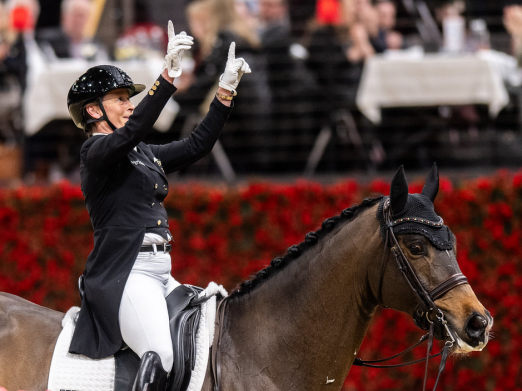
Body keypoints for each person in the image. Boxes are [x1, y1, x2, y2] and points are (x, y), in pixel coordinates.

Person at [66, 20, 251, 391]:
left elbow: (196, 145)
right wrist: (166, 77)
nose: (128, 105)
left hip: (160, 272)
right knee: (161, 355)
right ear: (93, 112)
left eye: (128, 97)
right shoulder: (95, 152)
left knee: (206, 346)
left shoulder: (142, 154)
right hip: (127, 273)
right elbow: (133, 131)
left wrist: (224, 94)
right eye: (120, 99)